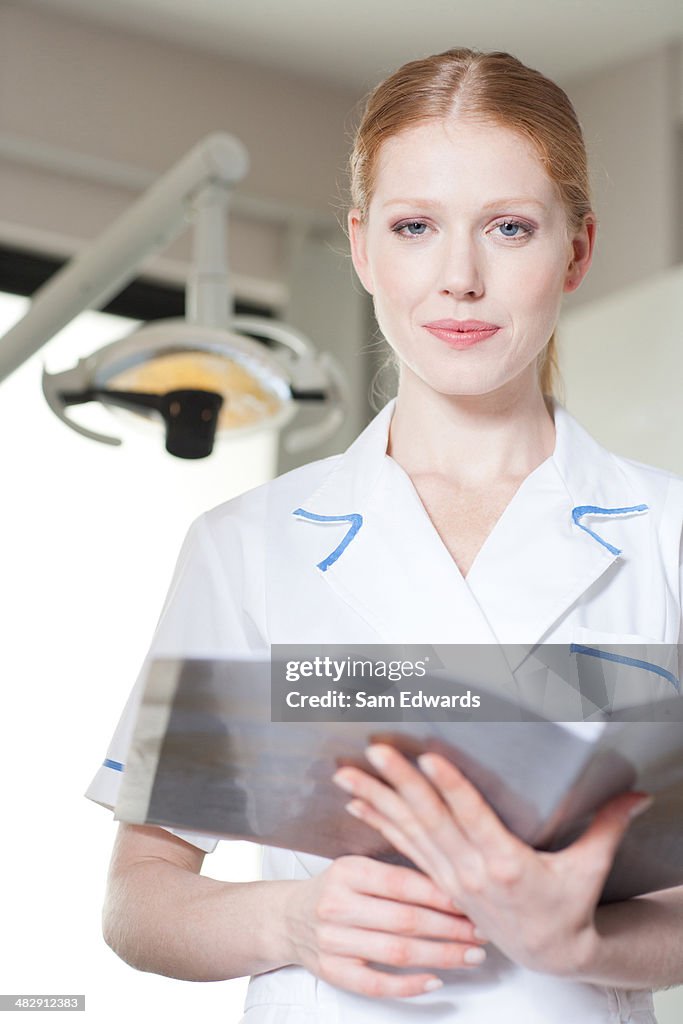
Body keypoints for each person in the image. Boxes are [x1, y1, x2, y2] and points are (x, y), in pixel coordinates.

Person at [87, 47, 683, 1023]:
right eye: (415, 227)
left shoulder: (663, 536)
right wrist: (293, 920)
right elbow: (138, 893)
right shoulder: (248, 546)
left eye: (507, 226)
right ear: (363, 247)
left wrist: (580, 940)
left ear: (574, 249)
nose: (458, 277)